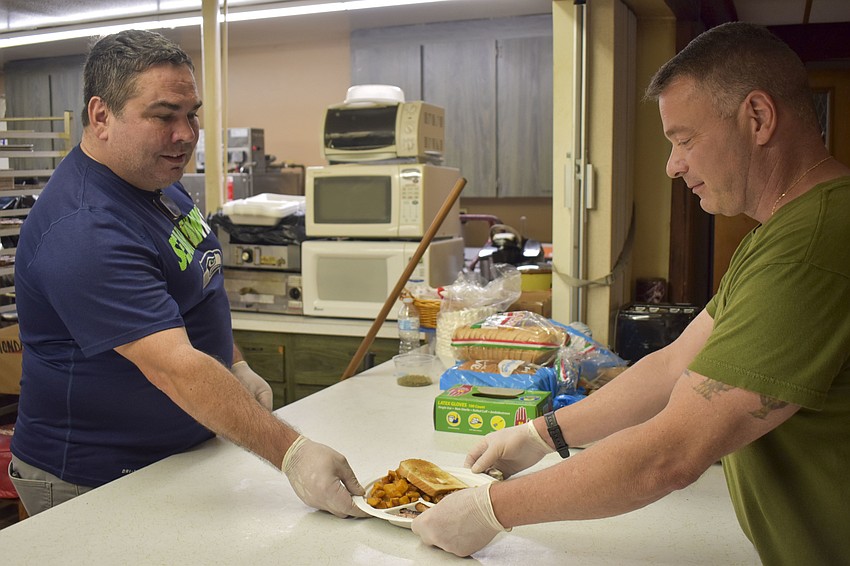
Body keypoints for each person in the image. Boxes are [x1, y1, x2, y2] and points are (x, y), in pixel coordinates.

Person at [411, 22, 850, 565]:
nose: (672, 165)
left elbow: (670, 455)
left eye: (683, 140)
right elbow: (672, 368)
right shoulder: (785, 232)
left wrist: (491, 510)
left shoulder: (811, 246)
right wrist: (542, 434)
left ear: (757, 118)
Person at [8, 29, 368, 520]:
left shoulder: (160, 187)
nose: (185, 134)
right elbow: (173, 365)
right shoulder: (85, 226)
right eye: (162, 116)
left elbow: (198, 291)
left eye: (191, 114)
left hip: (171, 455)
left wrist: (233, 363)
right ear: (100, 117)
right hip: (92, 476)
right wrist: (292, 452)